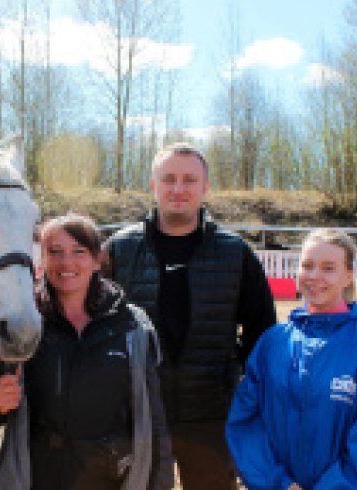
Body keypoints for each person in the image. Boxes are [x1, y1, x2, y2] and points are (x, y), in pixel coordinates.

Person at [103, 142, 277, 490]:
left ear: (205, 187)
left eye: (189, 180)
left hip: (212, 416)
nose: (178, 189)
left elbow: (263, 332)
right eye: (168, 179)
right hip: (140, 417)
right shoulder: (118, 250)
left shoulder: (235, 253)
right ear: (153, 185)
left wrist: (234, 379)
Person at [0, 213, 174, 490]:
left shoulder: (132, 326)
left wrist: (161, 481)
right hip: (39, 475)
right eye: (55, 252)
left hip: (109, 477)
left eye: (79, 251)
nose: (67, 262)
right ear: (40, 260)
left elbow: (153, 419)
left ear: (98, 260)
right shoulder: (22, 324)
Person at [226, 228, 357, 489]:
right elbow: (246, 420)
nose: (314, 276)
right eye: (307, 265)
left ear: (348, 276)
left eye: (328, 268)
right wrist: (276, 483)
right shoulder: (273, 343)